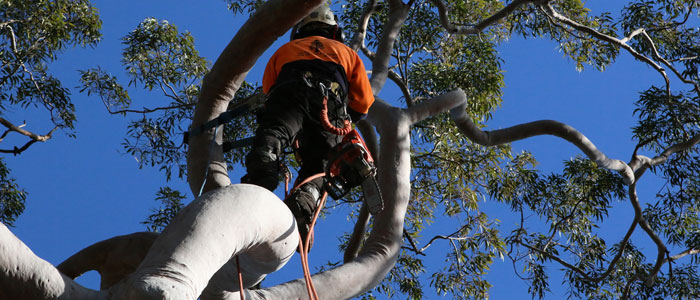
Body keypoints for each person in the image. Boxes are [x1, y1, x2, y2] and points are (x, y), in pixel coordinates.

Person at [242, 4, 375, 246]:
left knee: (276, 130)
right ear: (336, 32)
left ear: (299, 31)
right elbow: (363, 104)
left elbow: (269, 89)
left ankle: (264, 161)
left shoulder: (285, 50)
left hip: (288, 95)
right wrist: (347, 120)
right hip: (329, 105)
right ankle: (304, 201)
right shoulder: (348, 54)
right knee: (322, 163)